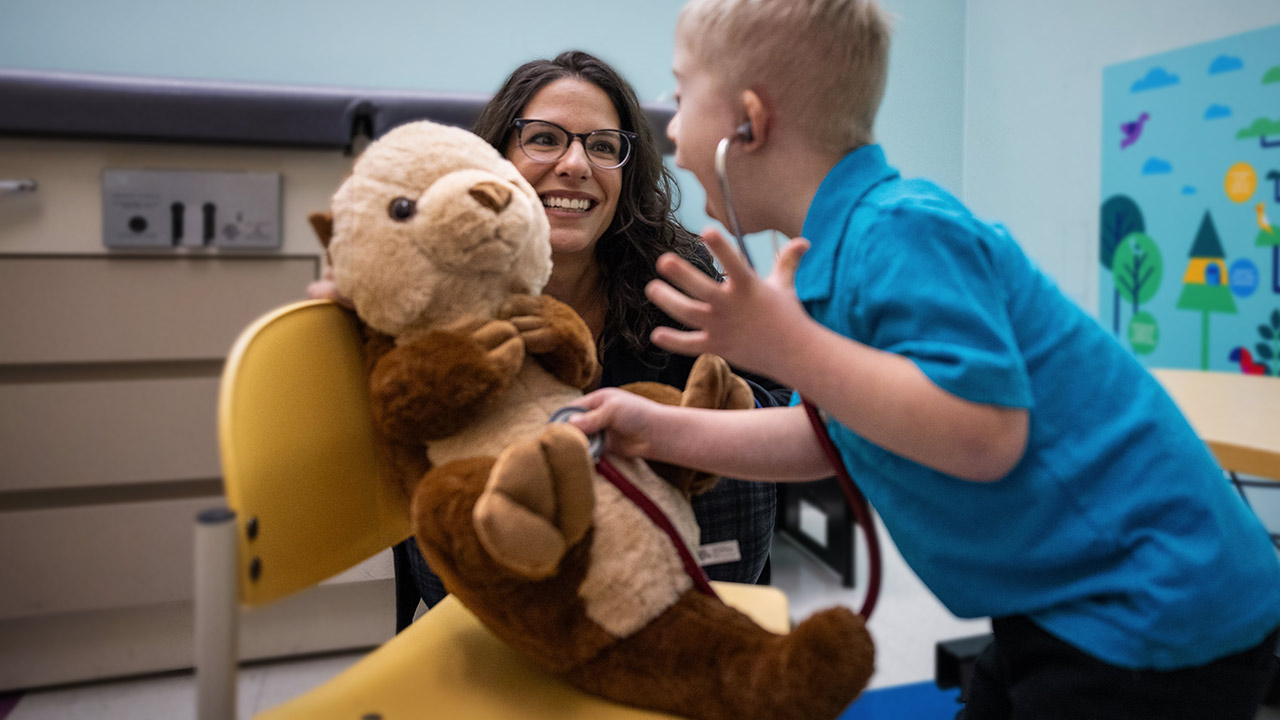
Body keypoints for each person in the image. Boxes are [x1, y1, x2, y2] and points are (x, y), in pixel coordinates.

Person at [566, 1, 1280, 718]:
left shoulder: (899, 229)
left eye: (682, 96)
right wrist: (648, 428)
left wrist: (789, 348)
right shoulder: (832, 257)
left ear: (748, 122)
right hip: (1061, 603)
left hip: (1155, 612)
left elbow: (983, 435)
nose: (672, 130)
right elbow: (824, 435)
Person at [309, 50, 790, 623]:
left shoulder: (674, 268)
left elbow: (766, 407)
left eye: (603, 146)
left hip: (672, 592)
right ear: (495, 159)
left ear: (625, 172)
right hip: (504, 595)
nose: (575, 164)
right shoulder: (438, 279)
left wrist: (672, 430)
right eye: (544, 139)